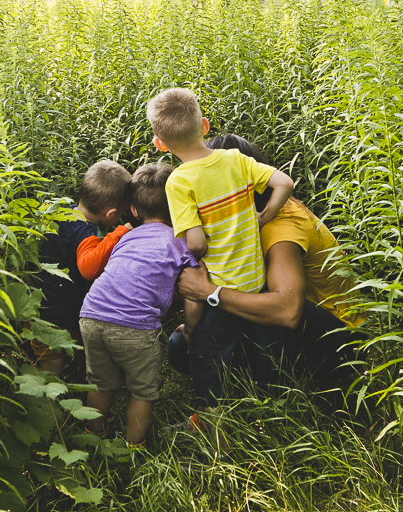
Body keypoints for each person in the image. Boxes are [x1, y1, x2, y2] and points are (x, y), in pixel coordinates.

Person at [146, 88, 295, 415]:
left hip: (219, 289)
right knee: (267, 354)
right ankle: (276, 411)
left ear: (160, 143)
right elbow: (284, 183)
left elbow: (197, 244)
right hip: (256, 284)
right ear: (204, 125)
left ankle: (215, 423)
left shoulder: (179, 181)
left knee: (210, 359)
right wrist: (263, 217)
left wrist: (186, 247)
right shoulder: (235, 159)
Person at [171, 134, 363, 381]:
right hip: (308, 327)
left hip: (340, 339)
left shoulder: (279, 229)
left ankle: (272, 397)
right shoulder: (251, 217)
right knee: (180, 344)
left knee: (259, 295)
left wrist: (210, 292)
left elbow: (287, 311)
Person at [79, 164, 197, 448]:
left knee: (99, 381)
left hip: (91, 313)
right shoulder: (180, 242)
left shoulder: (125, 235)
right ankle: (132, 451)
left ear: (132, 209)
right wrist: (191, 330)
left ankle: (93, 438)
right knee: (143, 391)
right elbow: (193, 294)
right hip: (134, 325)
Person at [32, 160, 133, 376]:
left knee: (57, 364)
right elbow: (89, 267)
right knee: (50, 373)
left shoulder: (60, 214)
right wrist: (118, 233)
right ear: (111, 214)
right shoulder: (87, 236)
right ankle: (48, 408)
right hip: (57, 320)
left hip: (37, 307)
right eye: (121, 213)